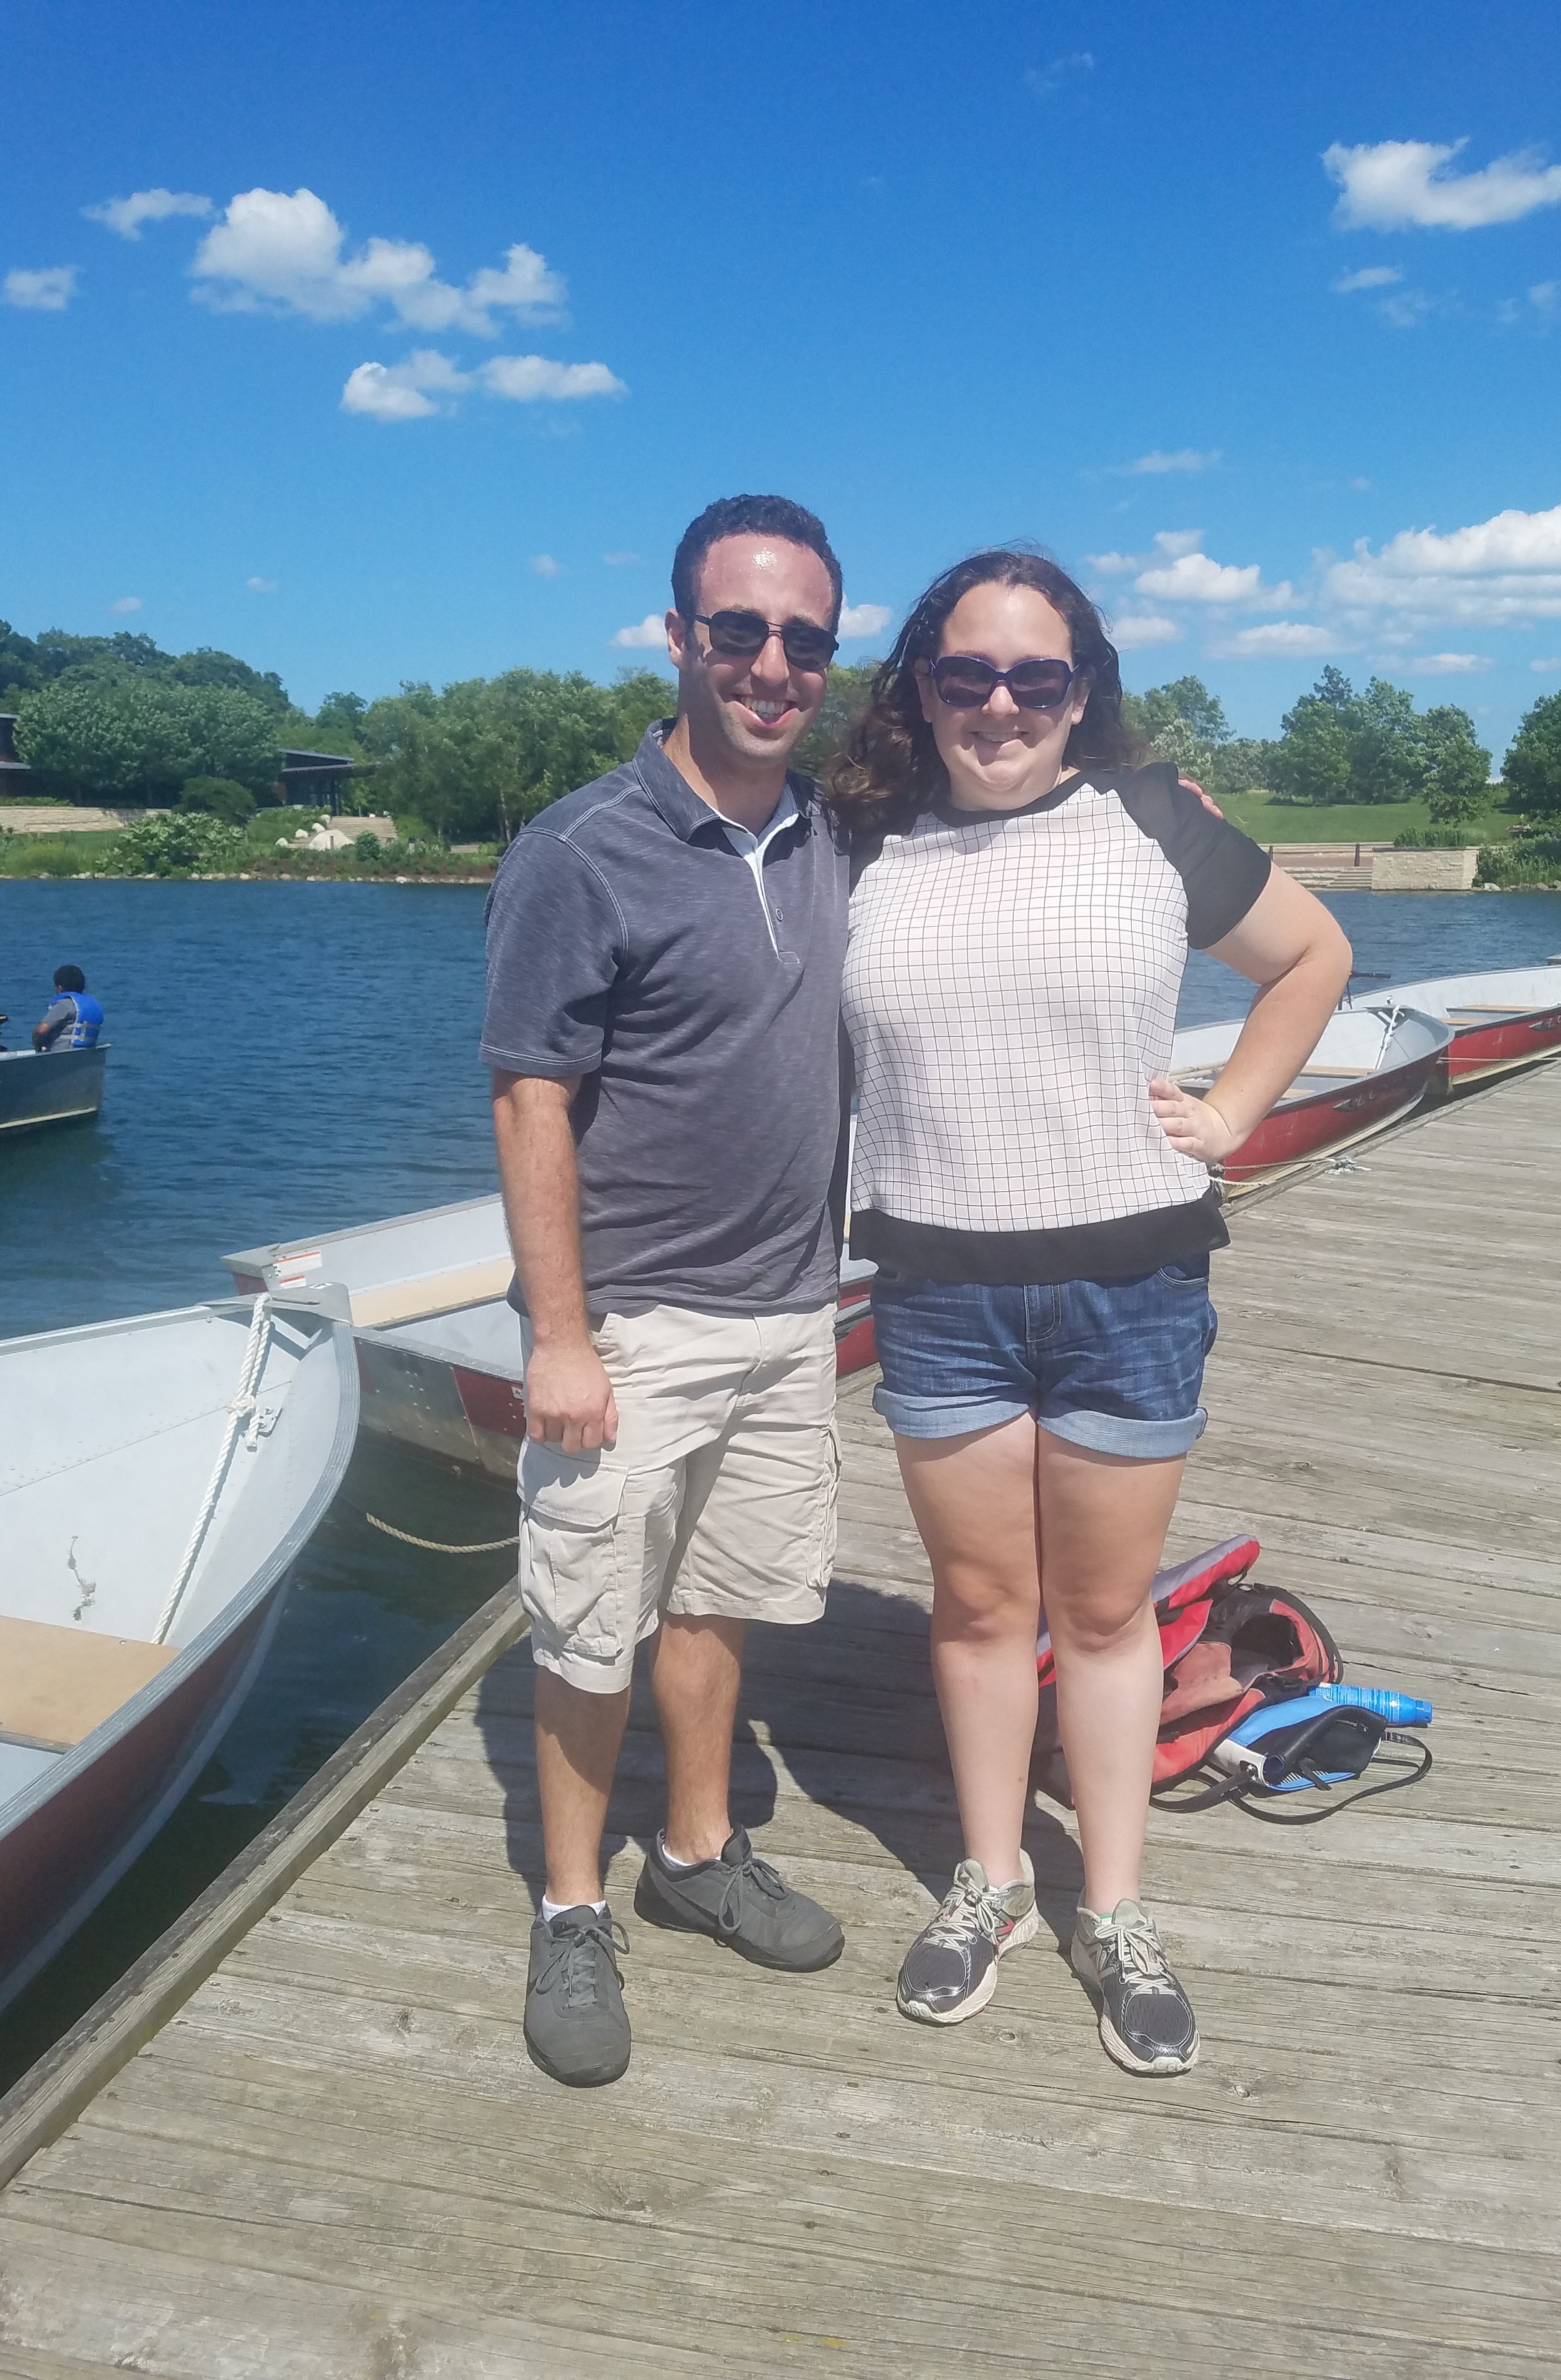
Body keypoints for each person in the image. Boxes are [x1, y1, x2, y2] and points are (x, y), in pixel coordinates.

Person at [831, 549, 1352, 2077]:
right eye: (964, 674)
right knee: (984, 1611)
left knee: (1107, 1617)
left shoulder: (1147, 819)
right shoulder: (861, 837)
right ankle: (989, 1878)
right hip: (936, 1287)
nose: (998, 704)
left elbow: (1309, 955)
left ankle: (1113, 1905)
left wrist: (1237, 1110)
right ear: (918, 689)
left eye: (1034, 677)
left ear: (1079, 691)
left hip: (1131, 1280)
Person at [481, 494, 853, 2089]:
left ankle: (695, 1853)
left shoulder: (837, 827)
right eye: (739, 630)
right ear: (681, 638)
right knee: (589, 1628)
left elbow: (1011, 776)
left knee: (716, 1605)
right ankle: (572, 1906)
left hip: (789, 1315)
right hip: (629, 1325)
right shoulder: (582, 847)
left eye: (804, 640)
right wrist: (558, 1335)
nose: (771, 664)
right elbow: (528, 1097)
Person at [31, 965, 103, 1052]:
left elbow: (41, 1031)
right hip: (87, 1053)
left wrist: (36, 1044)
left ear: (60, 987)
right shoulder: (93, 1004)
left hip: (62, 1054)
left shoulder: (64, 1004)